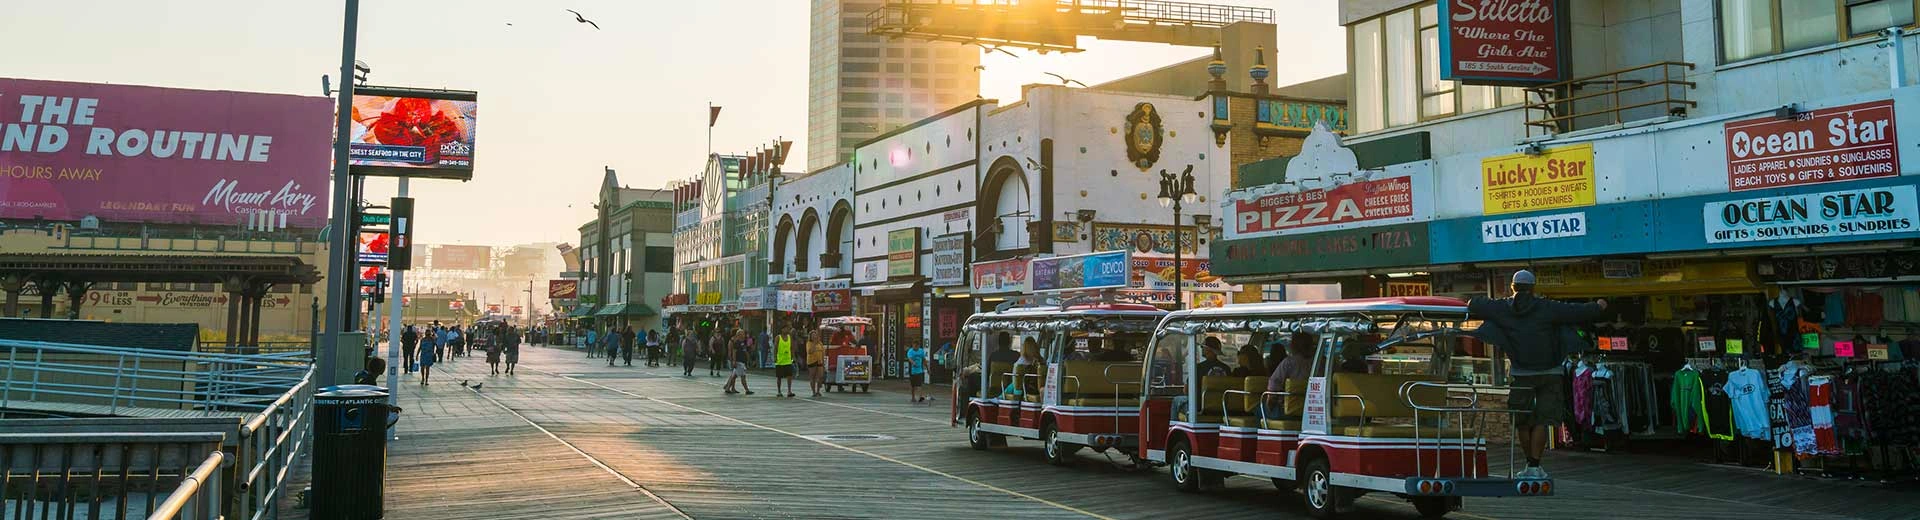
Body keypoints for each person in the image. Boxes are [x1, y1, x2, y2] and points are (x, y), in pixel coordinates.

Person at [1467, 270, 1608, 479]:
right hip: (1549, 372)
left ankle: (1529, 464)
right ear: (1533, 288)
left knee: (1522, 420)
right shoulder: (1547, 307)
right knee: (1542, 420)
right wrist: (1598, 306)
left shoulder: (1501, 308)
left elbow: (1473, 303)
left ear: (1513, 287)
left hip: (1520, 373)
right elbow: (1577, 312)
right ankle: (1535, 466)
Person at [1264, 332, 1315, 418]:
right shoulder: (1320, 362)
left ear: (1294, 345)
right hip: (1313, 407)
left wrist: (1270, 401)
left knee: (1259, 410)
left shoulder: (1289, 362)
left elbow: (1274, 384)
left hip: (1288, 410)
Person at [724, 330, 755, 395]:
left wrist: (748, 359)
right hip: (739, 362)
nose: (744, 335)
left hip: (742, 361)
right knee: (742, 376)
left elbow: (745, 351)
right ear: (739, 335)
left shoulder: (742, 342)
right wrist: (734, 361)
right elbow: (734, 352)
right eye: (743, 334)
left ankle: (727, 388)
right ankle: (747, 390)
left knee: (734, 376)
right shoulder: (737, 342)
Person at [773, 327, 797, 398]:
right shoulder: (778, 337)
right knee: (779, 377)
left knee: (789, 376)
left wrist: (793, 357)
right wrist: (775, 357)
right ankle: (779, 391)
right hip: (780, 361)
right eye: (785, 328)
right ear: (782, 329)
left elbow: (792, 348)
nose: (787, 330)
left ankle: (789, 391)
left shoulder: (790, 338)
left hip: (788, 360)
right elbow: (775, 348)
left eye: (787, 329)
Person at [806, 327, 828, 397]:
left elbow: (823, 352)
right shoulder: (809, 343)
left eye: (815, 335)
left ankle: (818, 390)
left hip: (819, 361)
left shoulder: (820, 343)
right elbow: (809, 351)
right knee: (813, 376)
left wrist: (823, 362)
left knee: (820, 376)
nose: (814, 336)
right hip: (812, 361)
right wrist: (814, 344)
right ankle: (813, 391)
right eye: (812, 335)